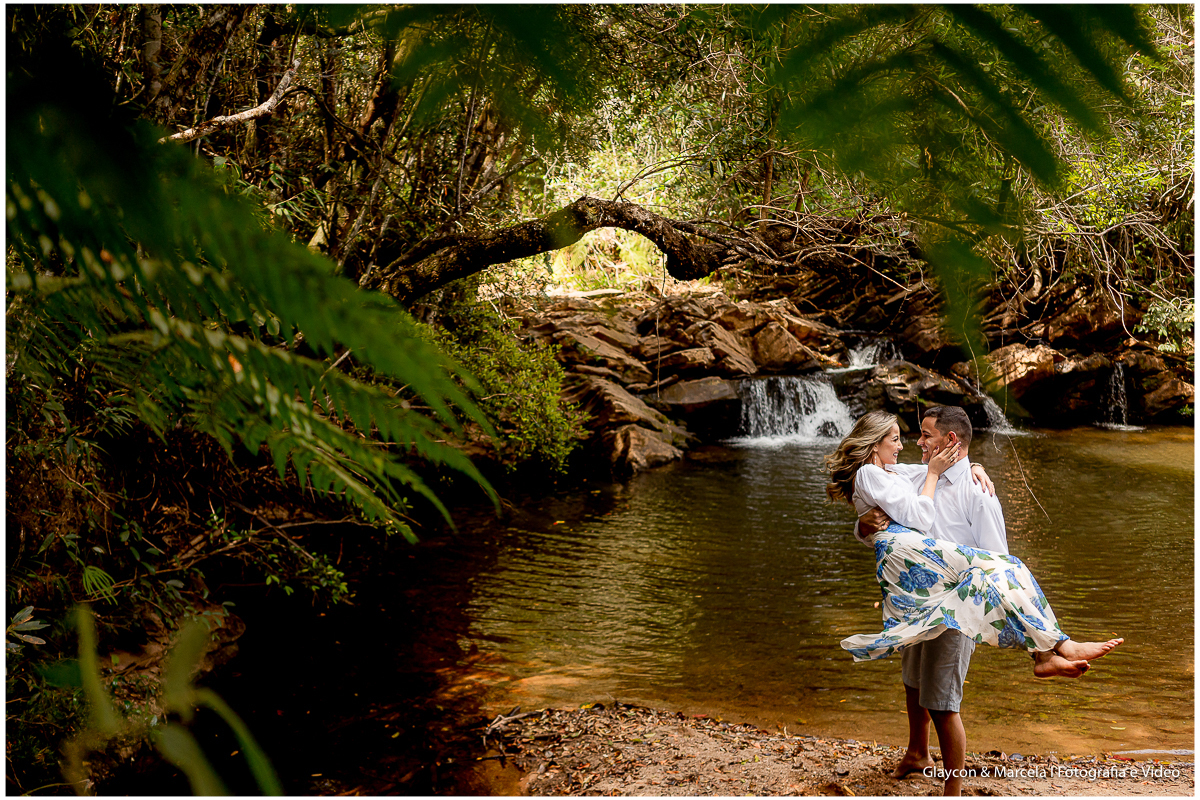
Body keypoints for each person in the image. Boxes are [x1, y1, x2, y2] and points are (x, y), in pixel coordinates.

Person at [824, 407, 1122, 795]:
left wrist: (971, 468)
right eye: (910, 436)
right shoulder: (917, 474)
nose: (916, 442)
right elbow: (879, 507)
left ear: (950, 441)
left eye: (925, 435)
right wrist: (863, 527)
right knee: (913, 682)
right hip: (921, 593)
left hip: (958, 604)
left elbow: (997, 568)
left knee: (943, 701)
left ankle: (955, 789)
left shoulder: (979, 493)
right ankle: (917, 753)